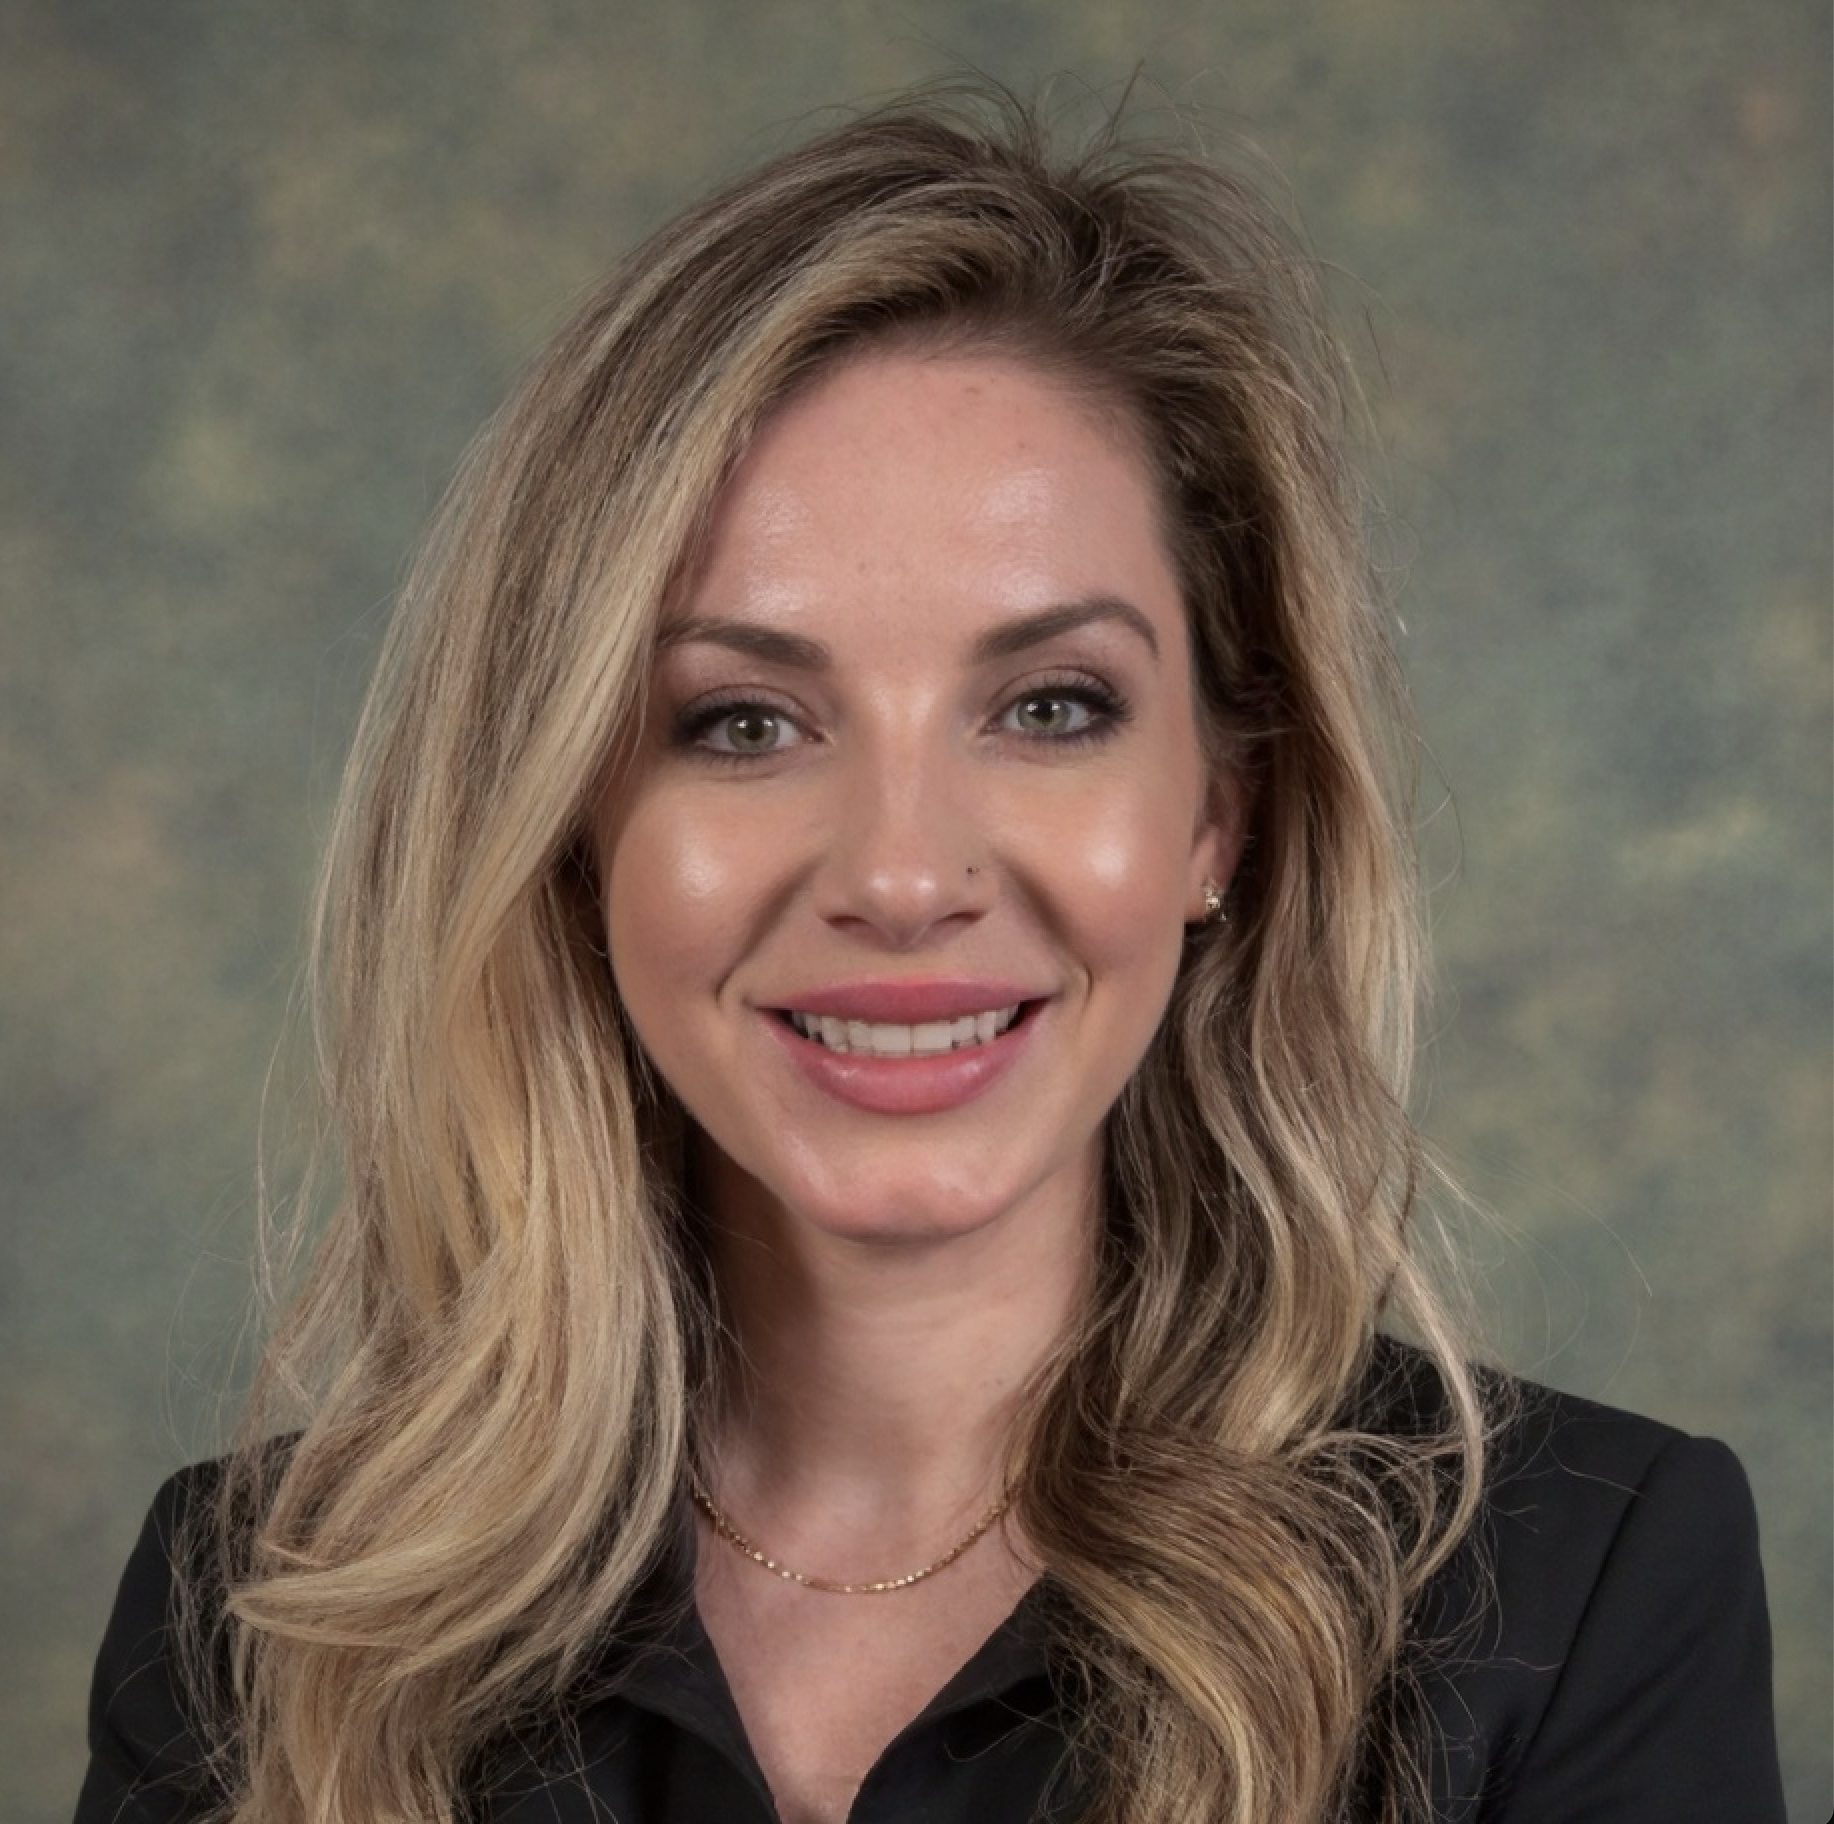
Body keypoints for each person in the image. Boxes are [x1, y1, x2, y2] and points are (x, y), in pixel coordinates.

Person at [76, 90, 1784, 1824]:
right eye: (742, 722)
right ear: (572, 830)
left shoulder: (1579, 1597)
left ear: (1218, 817)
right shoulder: (256, 1621)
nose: (900, 875)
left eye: (1049, 708)